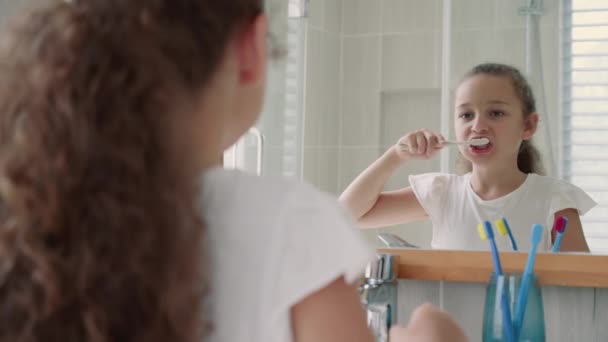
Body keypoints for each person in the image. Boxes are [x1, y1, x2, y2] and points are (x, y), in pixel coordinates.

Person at [0, 0, 468, 341]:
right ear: (252, 46)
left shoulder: (26, 207)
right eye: (467, 113)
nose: (477, 125)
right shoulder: (286, 224)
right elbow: (355, 211)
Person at [340, 63, 595, 252]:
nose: (478, 126)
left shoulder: (555, 200)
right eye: (466, 115)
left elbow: (579, 293)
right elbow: (347, 215)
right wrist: (396, 155)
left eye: (495, 113)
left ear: (528, 125)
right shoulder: (442, 193)